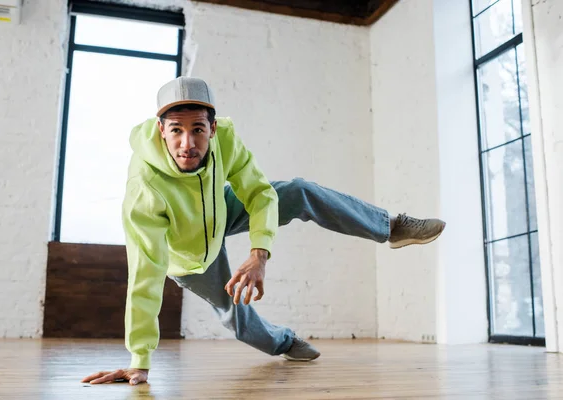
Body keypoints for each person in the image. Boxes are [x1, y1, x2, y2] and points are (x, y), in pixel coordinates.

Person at [81, 77, 446, 386]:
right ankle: (284, 343)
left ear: (213, 128)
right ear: (161, 130)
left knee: (298, 191)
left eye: (198, 130)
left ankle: (391, 227)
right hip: (187, 254)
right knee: (235, 313)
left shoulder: (225, 142)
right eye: (176, 131)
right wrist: (139, 359)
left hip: (219, 210)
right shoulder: (145, 187)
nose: (188, 144)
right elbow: (144, 276)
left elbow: (259, 194)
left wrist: (259, 253)